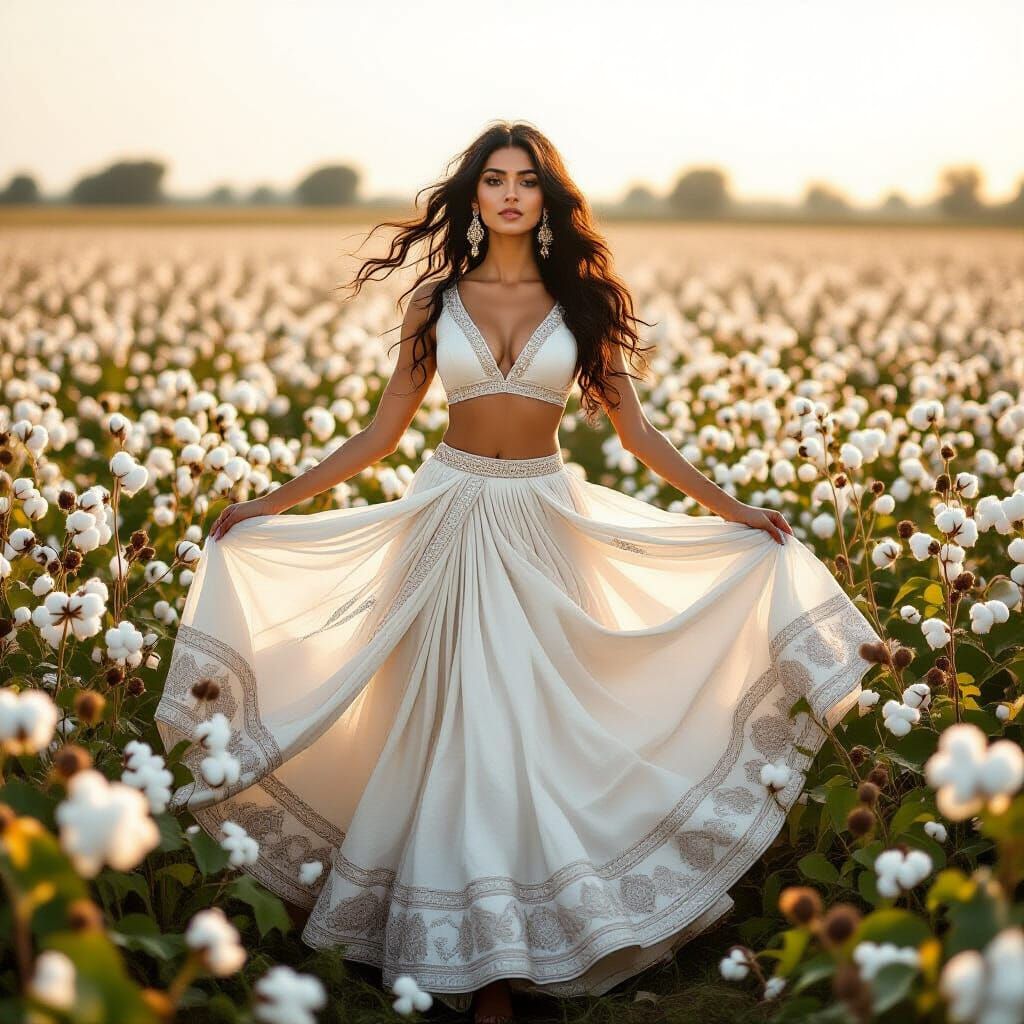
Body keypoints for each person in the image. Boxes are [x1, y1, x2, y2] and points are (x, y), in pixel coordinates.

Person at [154, 121, 880, 1023]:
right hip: (449, 519)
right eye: (493, 179)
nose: (508, 194)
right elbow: (383, 433)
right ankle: (477, 966)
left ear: (546, 198)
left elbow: (636, 433)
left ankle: (512, 950)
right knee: (453, 736)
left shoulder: (580, 304)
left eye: (525, 181)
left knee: (520, 739)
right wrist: (273, 501)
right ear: (473, 196)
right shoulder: (436, 302)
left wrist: (732, 511)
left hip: (542, 525)